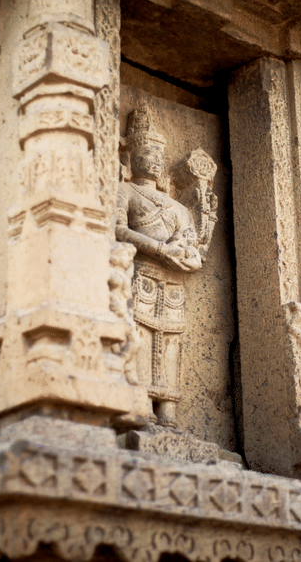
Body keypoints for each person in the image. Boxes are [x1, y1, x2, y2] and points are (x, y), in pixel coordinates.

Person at [115, 102, 202, 426]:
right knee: (139, 333)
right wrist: (157, 248)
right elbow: (117, 228)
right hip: (141, 274)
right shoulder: (125, 189)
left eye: (157, 154)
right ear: (129, 157)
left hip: (174, 282)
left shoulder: (177, 207)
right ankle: (136, 404)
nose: (153, 159)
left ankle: (168, 413)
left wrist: (179, 250)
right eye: (146, 152)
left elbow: (190, 242)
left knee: (171, 340)